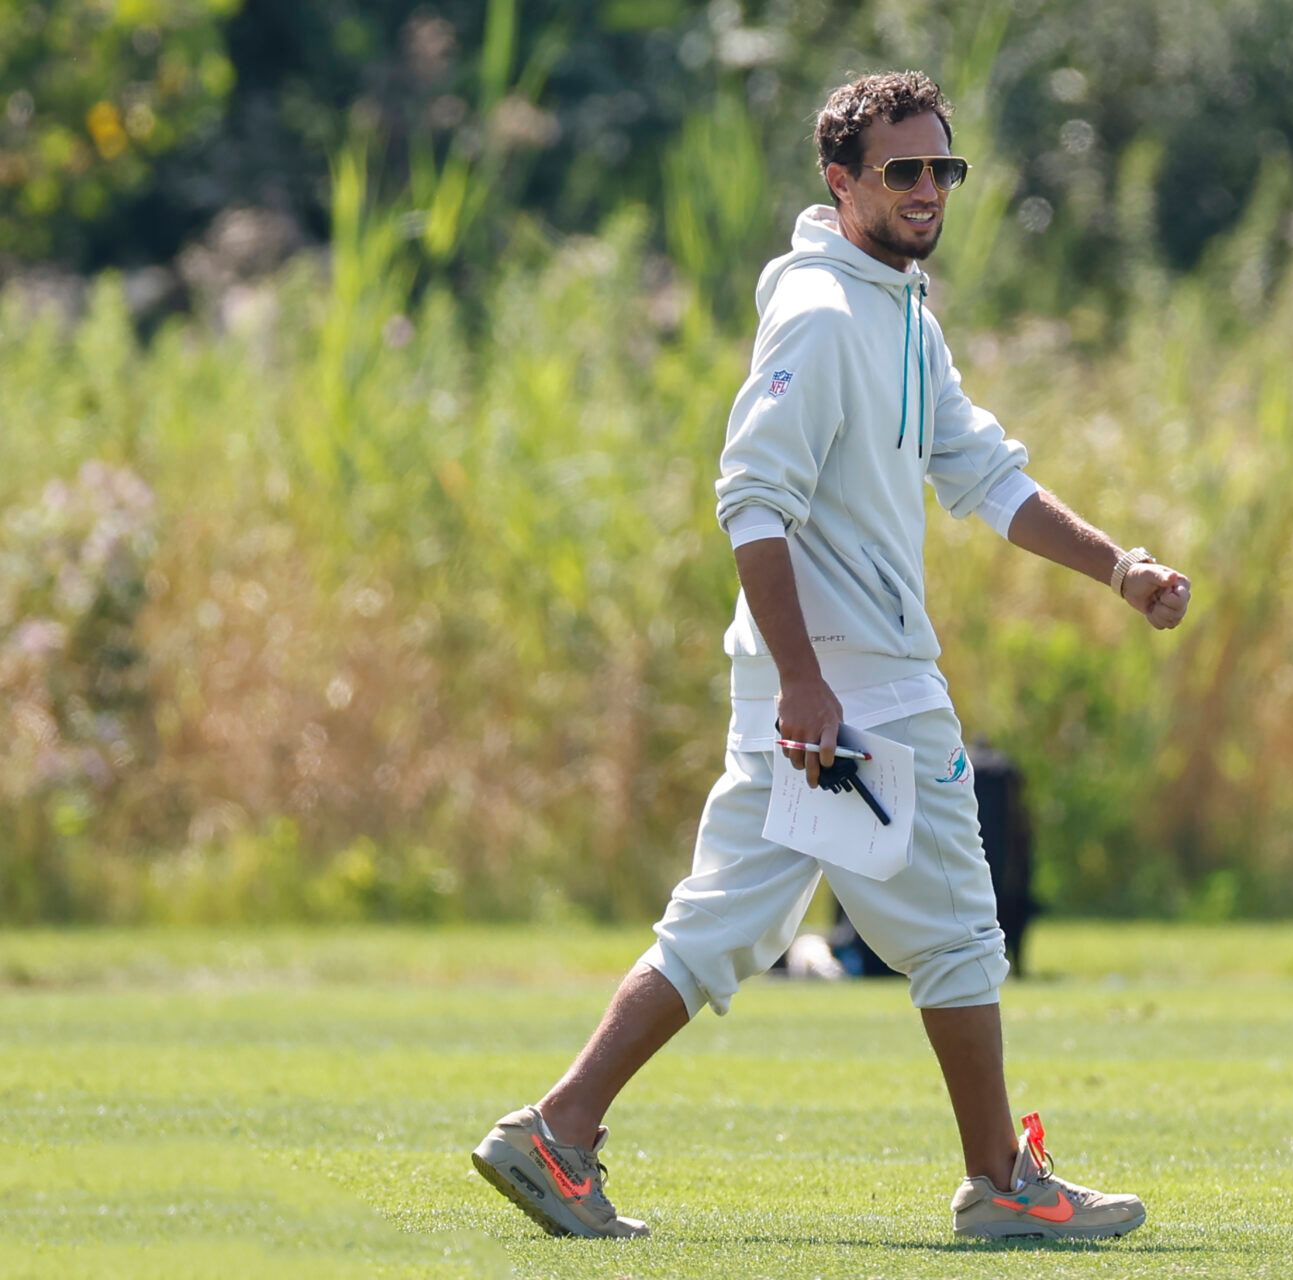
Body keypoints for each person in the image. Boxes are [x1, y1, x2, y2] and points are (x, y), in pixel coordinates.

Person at [471, 71, 1190, 1240]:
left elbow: (986, 474)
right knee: (960, 924)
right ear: (841, 179)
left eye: (941, 170)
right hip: (850, 688)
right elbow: (750, 498)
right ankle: (1004, 1185)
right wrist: (805, 681)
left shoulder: (899, 310)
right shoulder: (819, 311)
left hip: (822, 683)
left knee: (723, 925)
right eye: (901, 170)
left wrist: (1120, 568)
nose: (925, 191)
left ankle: (556, 1133)